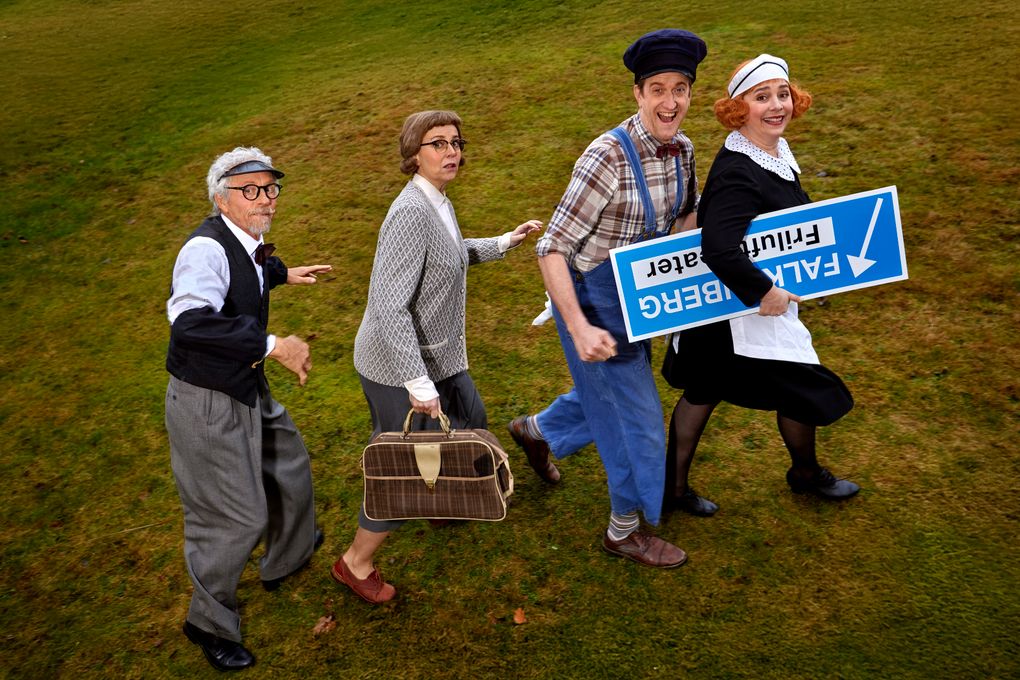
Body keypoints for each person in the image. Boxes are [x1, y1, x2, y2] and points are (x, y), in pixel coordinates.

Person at [508, 29, 706, 569]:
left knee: (610, 397)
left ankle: (537, 430)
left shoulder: (684, 150)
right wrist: (578, 327)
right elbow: (551, 248)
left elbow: (681, 220)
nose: (670, 102)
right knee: (635, 419)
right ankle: (624, 531)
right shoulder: (607, 158)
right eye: (657, 89)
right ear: (638, 94)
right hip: (592, 302)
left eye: (680, 89)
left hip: (640, 296)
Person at [331, 110, 542, 604]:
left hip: (437, 355)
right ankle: (354, 563)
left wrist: (502, 243)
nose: (451, 151)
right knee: (401, 465)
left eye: (456, 142)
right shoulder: (410, 212)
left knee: (469, 418)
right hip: (396, 364)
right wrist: (417, 382)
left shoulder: (437, 200)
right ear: (414, 155)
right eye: (438, 143)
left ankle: (439, 497)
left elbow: (447, 252)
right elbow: (389, 305)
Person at [660, 54, 860, 518]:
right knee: (789, 385)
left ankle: (800, 472)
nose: (776, 106)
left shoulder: (771, 152)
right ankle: (680, 489)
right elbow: (719, 249)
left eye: (782, 95)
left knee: (708, 392)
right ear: (740, 108)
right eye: (761, 97)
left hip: (741, 304)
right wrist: (765, 291)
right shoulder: (739, 170)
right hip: (733, 312)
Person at [165, 147, 332, 671]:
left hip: (245, 384)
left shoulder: (244, 239)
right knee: (234, 518)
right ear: (221, 199)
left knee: (289, 463)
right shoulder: (203, 251)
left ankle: (287, 556)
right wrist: (273, 344)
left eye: (271, 188)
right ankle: (207, 622)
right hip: (207, 399)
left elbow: (252, 265)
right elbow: (190, 321)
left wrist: (282, 273)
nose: (266, 200)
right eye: (251, 190)